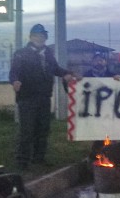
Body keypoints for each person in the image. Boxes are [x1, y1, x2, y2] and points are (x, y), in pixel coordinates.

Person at [9, 24, 74, 170]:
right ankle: (22, 161)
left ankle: (39, 158)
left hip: (44, 97)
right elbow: (14, 72)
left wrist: (67, 73)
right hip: (27, 98)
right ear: (31, 37)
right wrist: (15, 81)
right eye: (38, 36)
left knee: (43, 129)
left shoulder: (48, 53)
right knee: (27, 130)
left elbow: (56, 69)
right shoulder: (21, 53)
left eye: (43, 36)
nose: (41, 38)